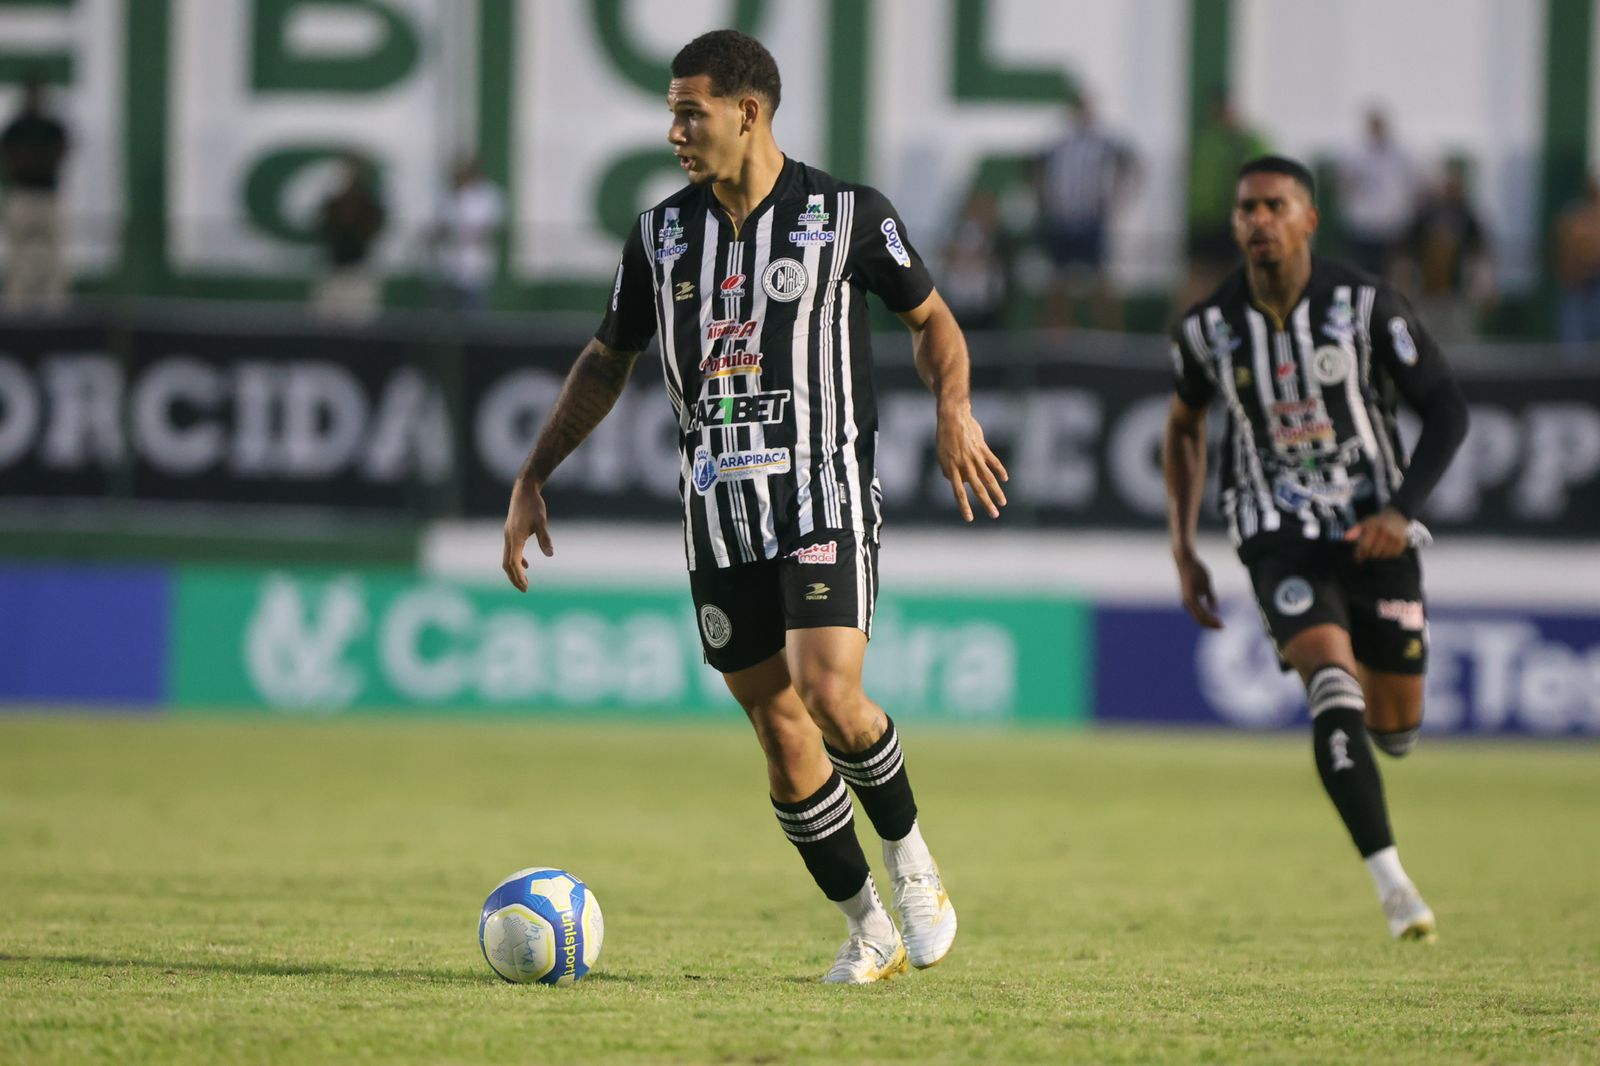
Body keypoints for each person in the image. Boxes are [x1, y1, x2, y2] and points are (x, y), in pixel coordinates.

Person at [500, 30, 1007, 984]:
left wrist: (953, 408)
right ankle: (868, 929)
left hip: (823, 491)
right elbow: (607, 360)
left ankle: (914, 869)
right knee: (779, 733)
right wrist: (534, 474)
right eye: (670, 112)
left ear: (750, 111)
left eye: (689, 111)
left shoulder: (849, 213)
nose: (675, 131)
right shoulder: (659, 236)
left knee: (829, 693)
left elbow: (932, 319)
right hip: (718, 512)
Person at [1163, 156, 1469, 942]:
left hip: (1375, 531)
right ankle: (1393, 884)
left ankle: (1367, 742)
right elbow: (1184, 426)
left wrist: (1402, 512)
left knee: (1396, 727)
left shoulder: (1365, 307)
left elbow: (1447, 411)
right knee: (1331, 684)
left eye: (1274, 206)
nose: (1257, 220)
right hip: (1277, 535)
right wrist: (1184, 545)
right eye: (1246, 209)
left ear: (1308, 220)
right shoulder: (1208, 327)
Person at [1035, 92, 1136, 330]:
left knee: (1100, 282)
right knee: (1059, 282)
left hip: (1091, 218)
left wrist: (1118, 198)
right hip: (1063, 218)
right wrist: (1045, 201)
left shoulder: (1101, 141)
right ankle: (1057, 334)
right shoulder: (1060, 142)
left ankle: (1110, 336)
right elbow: (1039, 169)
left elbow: (1129, 163)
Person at [1180, 91, 1270, 311]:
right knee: (1208, 278)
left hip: (1209, 219)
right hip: (1219, 220)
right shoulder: (1240, 141)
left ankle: (1183, 330)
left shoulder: (1205, 140)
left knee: (1203, 278)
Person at [1402, 158, 1492, 344]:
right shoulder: (1425, 214)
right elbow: (1408, 252)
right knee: (1426, 338)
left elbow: (1479, 251)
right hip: (1427, 291)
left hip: (1458, 290)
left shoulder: (1466, 214)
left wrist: (1484, 283)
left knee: (1461, 338)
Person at [0, 75, 70, 312]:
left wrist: (32, 164)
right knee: (18, 257)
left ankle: (55, 309)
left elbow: (62, 151)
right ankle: (15, 307)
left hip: (47, 197)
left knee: (55, 258)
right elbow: (7, 157)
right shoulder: (16, 128)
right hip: (22, 196)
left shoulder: (52, 128)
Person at [1337, 109, 1419, 279]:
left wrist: (1405, 210)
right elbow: (1345, 185)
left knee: (1387, 272)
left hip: (1391, 224)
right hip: (1362, 222)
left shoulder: (1401, 153)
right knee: (1362, 270)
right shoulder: (1356, 153)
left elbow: (1413, 184)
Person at [312, 154, 386, 324]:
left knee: (360, 318)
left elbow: (371, 229)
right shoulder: (333, 203)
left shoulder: (369, 204)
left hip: (359, 267)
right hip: (335, 266)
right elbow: (323, 228)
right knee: (327, 317)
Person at [431, 154, 505, 312]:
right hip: (449, 265)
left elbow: (492, 225)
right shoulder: (449, 195)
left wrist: (470, 234)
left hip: (476, 264)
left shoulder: (488, 195)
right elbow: (441, 225)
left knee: (474, 310)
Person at [939, 186, 1011, 331]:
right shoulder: (956, 233)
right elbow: (945, 255)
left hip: (986, 305)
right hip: (958, 303)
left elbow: (998, 259)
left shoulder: (997, 236)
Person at [1554, 174, 1600, 348]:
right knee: (1574, 334)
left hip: (1596, 279)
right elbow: (1565, 242)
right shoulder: (1575, 213)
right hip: (1577, 280)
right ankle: (1574, 370)